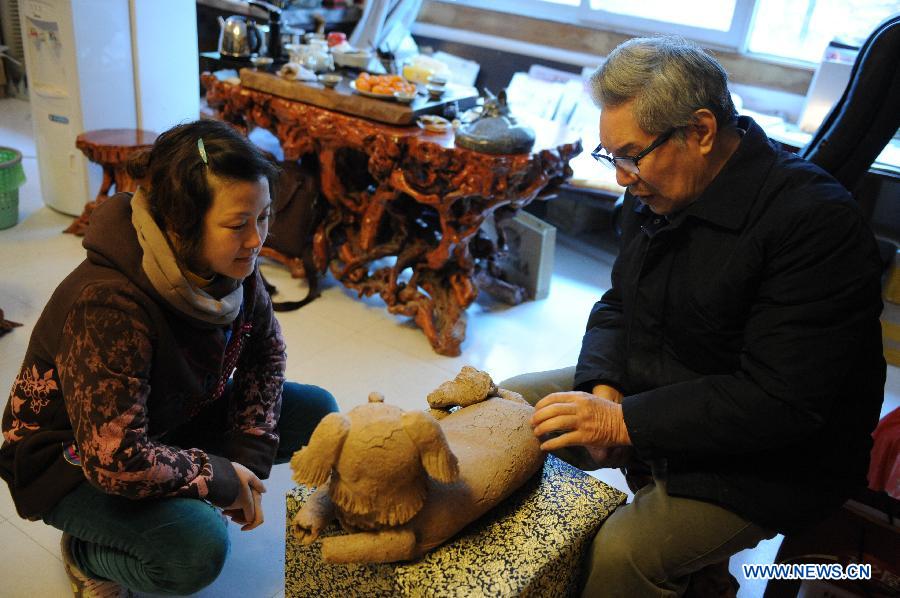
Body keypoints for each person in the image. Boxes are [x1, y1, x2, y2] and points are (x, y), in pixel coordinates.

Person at [503, 36, 886, 597]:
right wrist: (603, 387)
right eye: (611, 156)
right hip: (664, 383)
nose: (620, 177)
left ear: (701, 132)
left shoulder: (814, 221)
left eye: (632, 155)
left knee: (624, 553)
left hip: (777, 455)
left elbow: (782, 401)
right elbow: (618, 304)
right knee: (510, 408)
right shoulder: (656, 190)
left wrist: (626, 423)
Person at [0, 119, 338, 596]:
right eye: (237, 224)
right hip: (72, 459)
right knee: (195, 548)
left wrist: (245, 459)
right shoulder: (110, 304)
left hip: (167, 419)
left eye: (263, 217)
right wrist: (219, 479)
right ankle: (86, 554)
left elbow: (265, 356)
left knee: (319, 415)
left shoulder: (232, 266)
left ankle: (169, 503)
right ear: (181, 222)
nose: (256, 239)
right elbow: (115, 458)